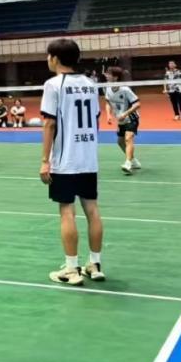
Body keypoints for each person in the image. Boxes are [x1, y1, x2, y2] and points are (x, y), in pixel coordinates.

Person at [40, 38, 105, 287]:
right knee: (92, 210)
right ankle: (95, 264)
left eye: (48, 56)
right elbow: (95, 119)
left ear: (55, 58)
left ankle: (71, 269)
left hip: (65, 160)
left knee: (67, 211)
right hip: (88, 158)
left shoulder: (53, 85)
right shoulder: (90, 84)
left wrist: (45, 160)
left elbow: (49, 123)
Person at [104, 66, 142, 175]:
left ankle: (128, 163)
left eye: (109, 74)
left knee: (128, 138)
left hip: (131, 117)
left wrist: (125, 114)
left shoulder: (125, 89)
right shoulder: (107, 87)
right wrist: (108, 115)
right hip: (120, 119)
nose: (106, 75)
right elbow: (107, 102)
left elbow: (137, 104)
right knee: (120, 142)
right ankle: (133, 160)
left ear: (115, 77)